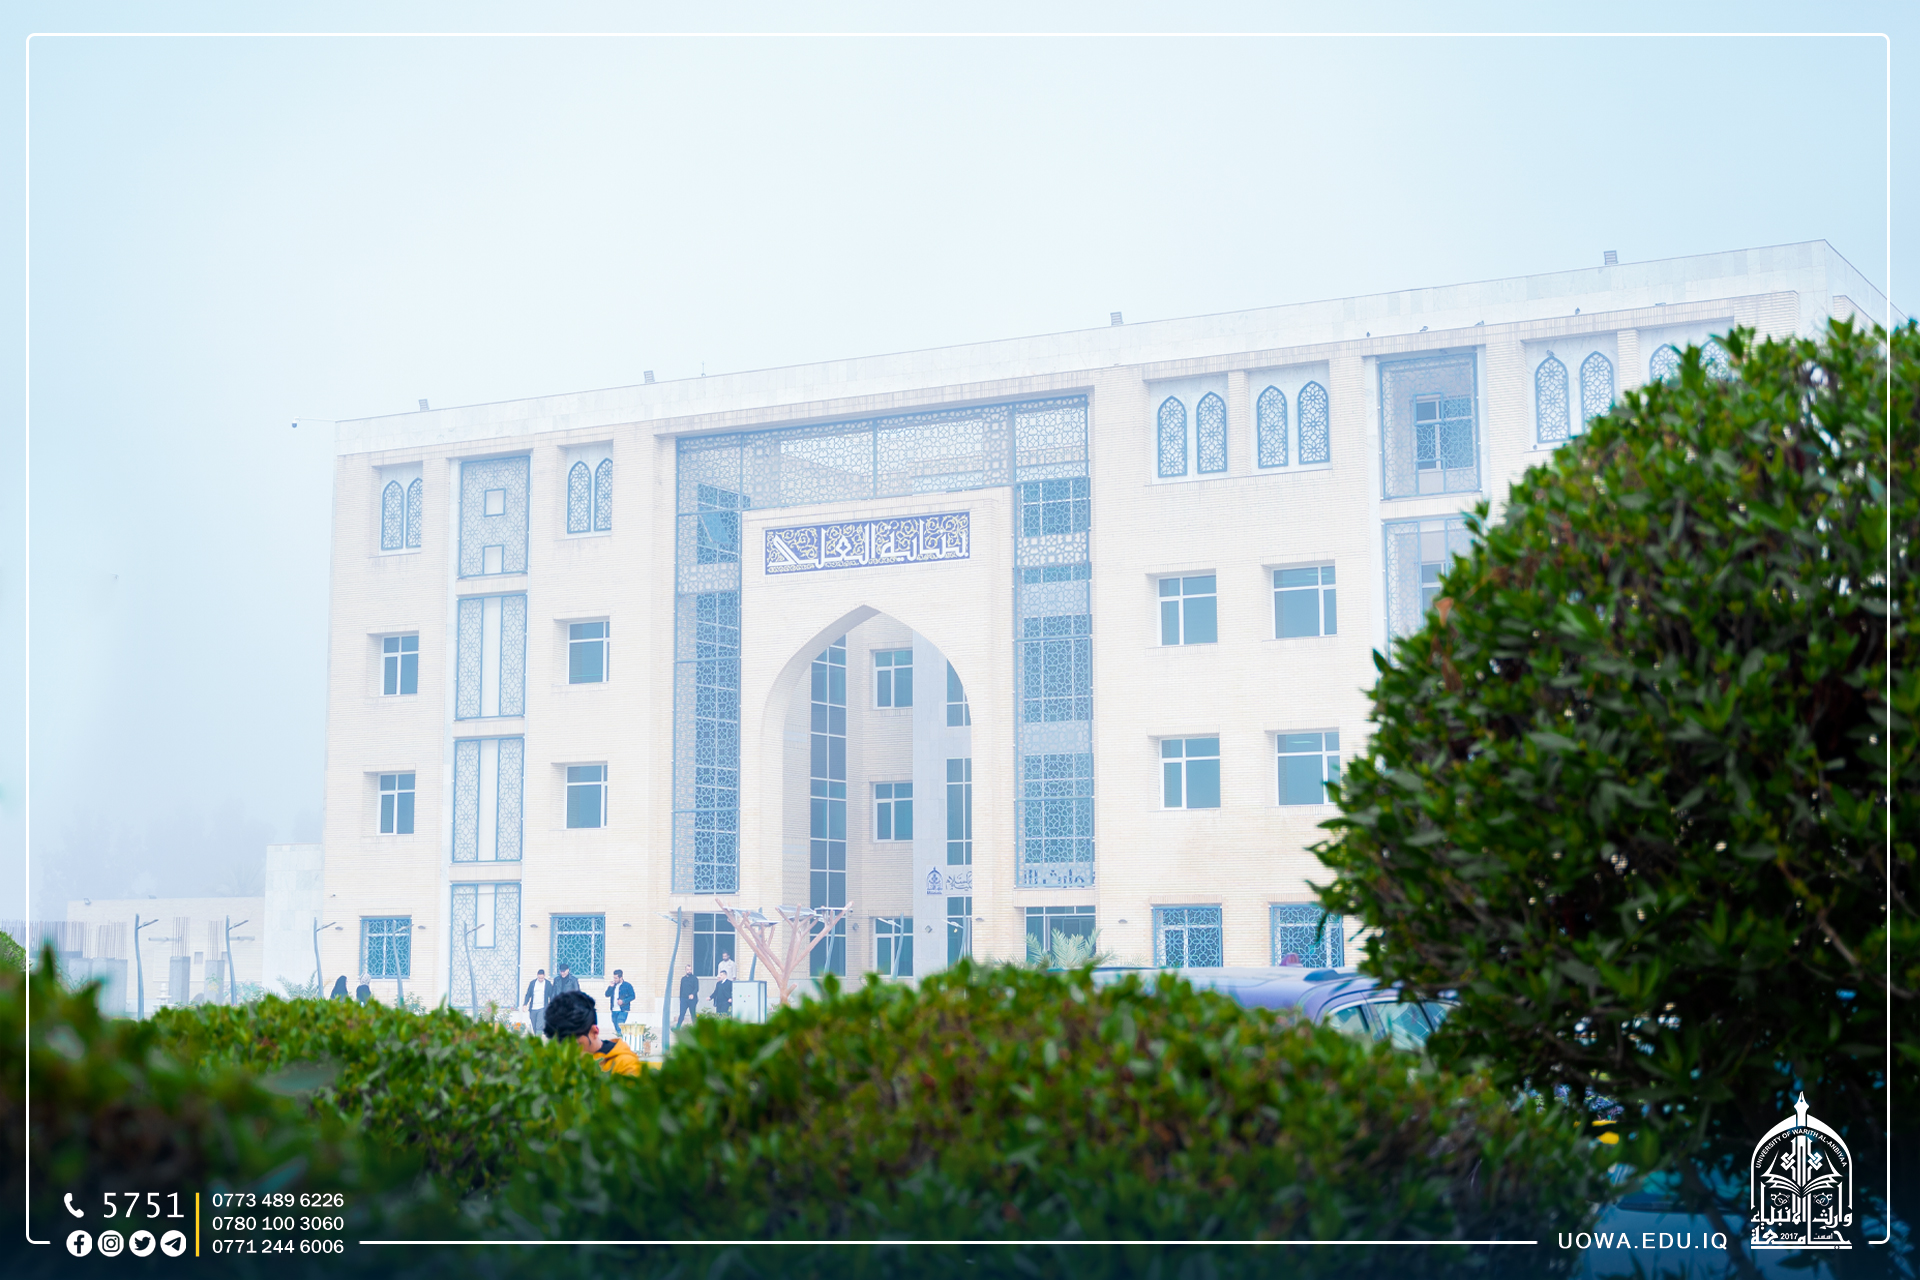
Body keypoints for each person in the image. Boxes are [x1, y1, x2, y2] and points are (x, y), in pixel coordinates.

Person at [543, 990, 642, 1077]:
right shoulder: (553, 1066)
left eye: (576, 1045)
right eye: (561, 1046)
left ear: (594, 1032)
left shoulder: (626, 1066)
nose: (569, 1053)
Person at [605, 969, 635, 1035]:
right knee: (616, 1027)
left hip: (623, 1010)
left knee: (619, 1026)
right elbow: (607, 994)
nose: (614, 979)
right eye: (614, 978)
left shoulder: (627, 985)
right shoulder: (613, 985)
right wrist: (610, 987)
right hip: (614, 1010)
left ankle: (621, 1038)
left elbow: (632, 996)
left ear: (621, 978)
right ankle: (622, 1037)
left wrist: (623, 1001)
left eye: (616, 978)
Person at [523, 968, 552, 1037]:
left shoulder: (548, 984)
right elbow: (528, 994)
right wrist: (525, 1004)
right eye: (539, 978)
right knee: (534, 1025)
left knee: (539, 1025)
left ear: (544, 976)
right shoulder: (533, 983)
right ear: (537, 976)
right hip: (533, 1008)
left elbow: (551, 995)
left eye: (542, 978)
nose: (540, 979)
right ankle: (537, 1037)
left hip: (542, 1007)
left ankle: (538, 1039)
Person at [676, 963, 698, 1027]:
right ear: (685, 970)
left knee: (693, 1014)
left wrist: (692, 994)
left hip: (692, 1000)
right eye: (688, 970)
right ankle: (678, 1027)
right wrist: (680, 999)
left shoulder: (694, 978)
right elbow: (681, 989)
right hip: (684, 999)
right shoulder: (683, 979)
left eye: (690, 969)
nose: (689, 971)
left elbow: (696, 988)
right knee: (682, 1014)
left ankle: (695, 1027)